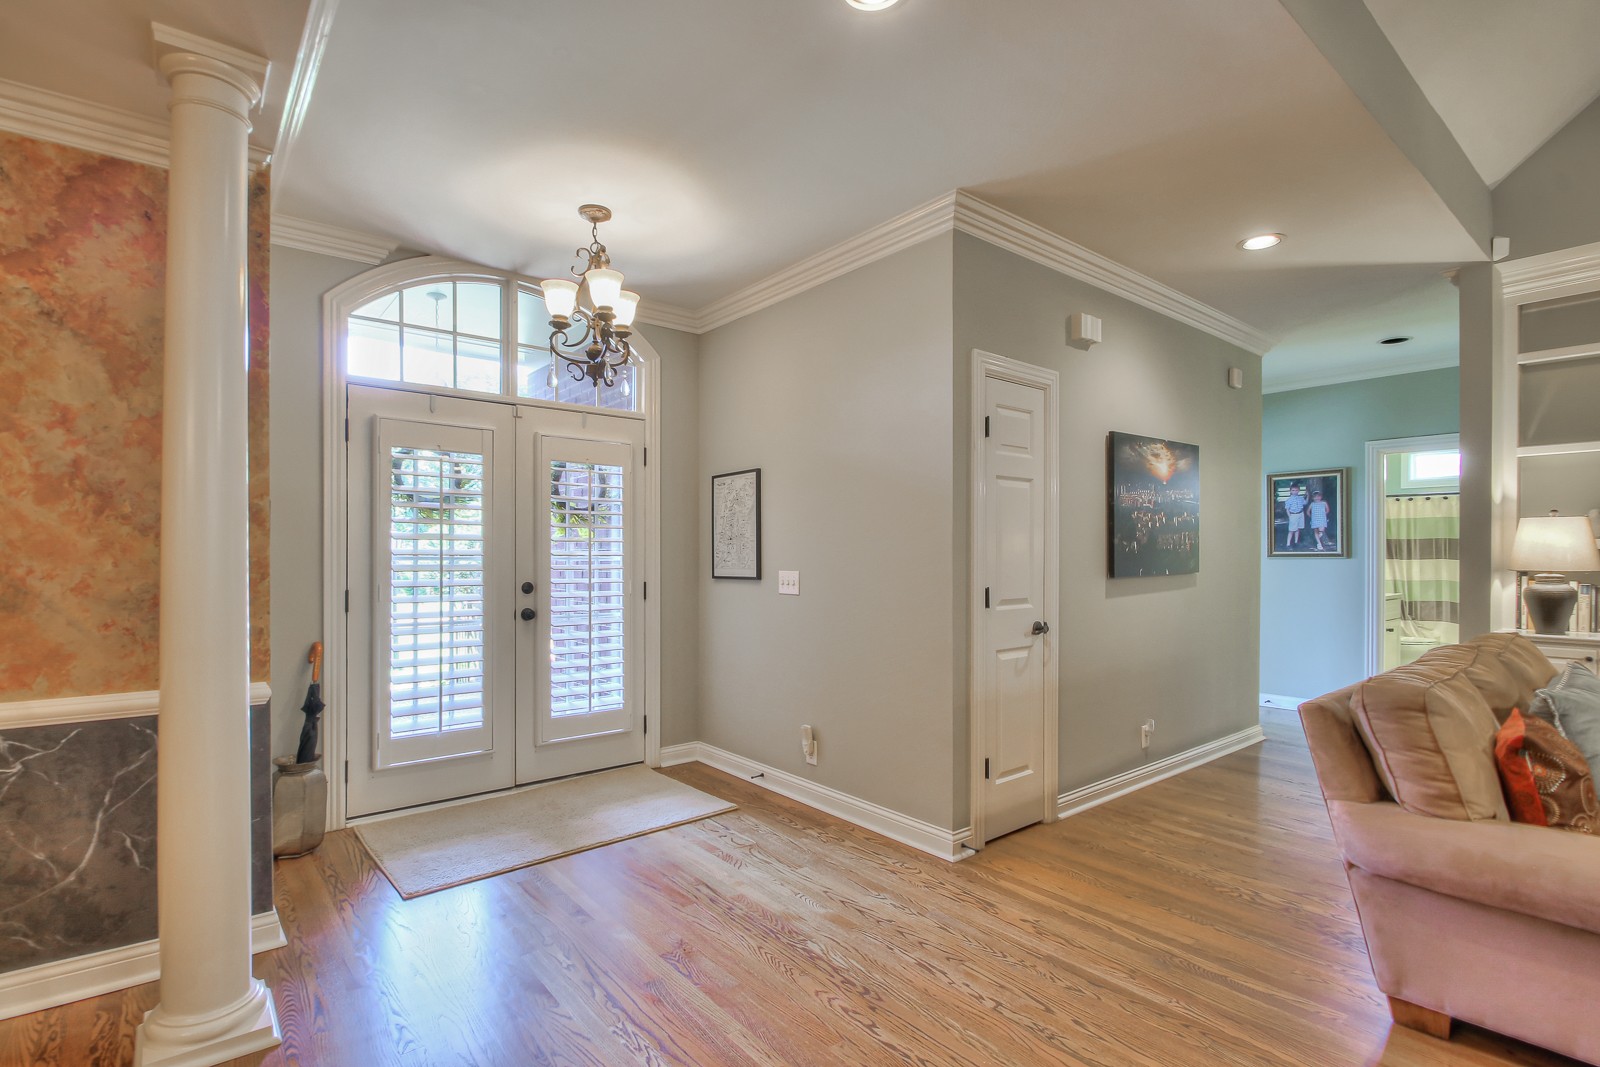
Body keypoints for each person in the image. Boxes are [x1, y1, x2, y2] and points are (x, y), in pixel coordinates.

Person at [1283, 483, 1306, 548]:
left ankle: (1296, 542)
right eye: (1293, 490)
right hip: (1293, 515)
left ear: (1298, 490)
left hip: (1300, 514)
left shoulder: (1301, 498)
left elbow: (1305, 503)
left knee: (1298, 529)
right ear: (1290, 491)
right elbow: (1287, 509)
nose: (1295, 492)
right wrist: (1290, 516)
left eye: (1296, 490)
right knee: (1291, 530)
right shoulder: (1289, 500)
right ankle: (1288, 544)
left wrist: (1308, 495)